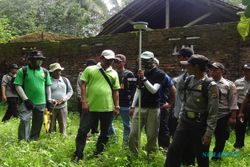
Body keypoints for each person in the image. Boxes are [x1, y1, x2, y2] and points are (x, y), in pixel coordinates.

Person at [165, 54, 219, 167]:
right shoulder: (189, 80)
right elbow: (185, 101)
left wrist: (208, 133)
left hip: (200, 124)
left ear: (197, 67)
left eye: (188, 66)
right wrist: (180, 118)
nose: (186, 68)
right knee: (174, 149)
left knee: (201, 155)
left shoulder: (210, 85)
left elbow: (213, 112)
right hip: (185, 121)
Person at [73, 49, 120, 162]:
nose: (109, 62)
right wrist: (84, 102)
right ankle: (78, 154)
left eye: (112, 60)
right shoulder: (90, 69)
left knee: (104, 133)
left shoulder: (114, 73)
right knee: (83, 131)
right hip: (90, 107)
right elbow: (83, 85)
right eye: (107, 59)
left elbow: (116, 91)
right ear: (101, 58)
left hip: (107, 108)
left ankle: (99, 152)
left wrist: (116, 106)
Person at [129, 51, 165, 155]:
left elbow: (154, 90)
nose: (144, 63)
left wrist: (144, 78)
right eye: (142, 60)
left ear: (152, 60)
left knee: (152, 135)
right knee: (133, 133)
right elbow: (138, 89)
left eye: (146, 60)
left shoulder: (160, 73)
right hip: (140, 107)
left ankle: (151, 156)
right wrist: (132, 105)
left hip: (153, 108)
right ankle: (133, 155)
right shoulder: (140, 72)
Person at [14, 50, 52, 141]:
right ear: (30, 60)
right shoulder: (23, 70)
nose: (39, 62)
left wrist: (49, 99)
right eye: (37, 60)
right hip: (26, 102)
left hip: (41, 102)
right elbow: (17, 85)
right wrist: (26, 99)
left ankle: (33, 139)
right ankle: (23, 140)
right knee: (24, 120)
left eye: (41, 60)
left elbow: (48, 86)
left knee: (38, 122)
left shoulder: (45, 72)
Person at [171, 47, 195, 165]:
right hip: (179, 113)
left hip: (188, 115)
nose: (177, 59)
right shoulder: (184, 73)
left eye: (178, 57)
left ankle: (188, 161)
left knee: (187, 141)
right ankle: (184, 160)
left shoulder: (194, 75)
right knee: (180, 142)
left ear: (185, 58)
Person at [209, 62, 238, 160]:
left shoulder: (229, 84)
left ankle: (216, 157)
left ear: (222, 71)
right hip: (208, 115)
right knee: (204, 136)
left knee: (221, 138)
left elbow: (233, 101)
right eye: (211, 69)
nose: (212, 71)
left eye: (215, 69)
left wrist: (233, 117)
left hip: (222, 115)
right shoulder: (207, 82)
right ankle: (202, 156)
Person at [110, 54, 136, 147]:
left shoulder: (129, 74)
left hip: (125, 103)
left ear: (124, 62)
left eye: (119, 61)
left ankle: (125, 144)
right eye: (115, 61)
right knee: (108, 123)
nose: (116, 63)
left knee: (127, 125)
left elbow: (134, 87)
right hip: (113, 102)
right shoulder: (112, 73)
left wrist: (132, 101)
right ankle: (113, 142)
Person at [153, 58, 176, 150]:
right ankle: (153, 146)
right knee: (150, 128)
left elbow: (173, 90)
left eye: (153, 63)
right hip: (149, 106)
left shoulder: (164, 76)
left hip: (161, 106)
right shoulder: (146, 75)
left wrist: (169, 104)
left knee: (163, 128)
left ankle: (164, 148)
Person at [49, 62, 73, 135]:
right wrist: (51, 100)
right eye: (56, 71)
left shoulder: (65, 80)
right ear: (52, 72)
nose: (58, 72)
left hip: (63, 106)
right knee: (51, 125)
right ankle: (51, 138)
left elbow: (70, 91)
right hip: (51, 106)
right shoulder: (48, 80)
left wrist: (64, 99)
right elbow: (45, 93)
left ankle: (63, 137)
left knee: (63, 124)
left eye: (59, 70)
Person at [76, 59, 99, 134]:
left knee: (95, 117)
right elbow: (79, 86)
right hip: (84, 99)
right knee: (84, 117)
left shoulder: (98, 74)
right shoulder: (82, 74)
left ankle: (94, 131)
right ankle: (84, 132)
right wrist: (81, 99)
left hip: (94, 100)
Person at [234, 63, 250, 150]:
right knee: (240, 126)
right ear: (243, 71)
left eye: (249, 71)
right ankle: (238, 145)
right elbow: (234, 96)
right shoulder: (237, 82)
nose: (247, 72)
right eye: (245, 70)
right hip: (241, 107)